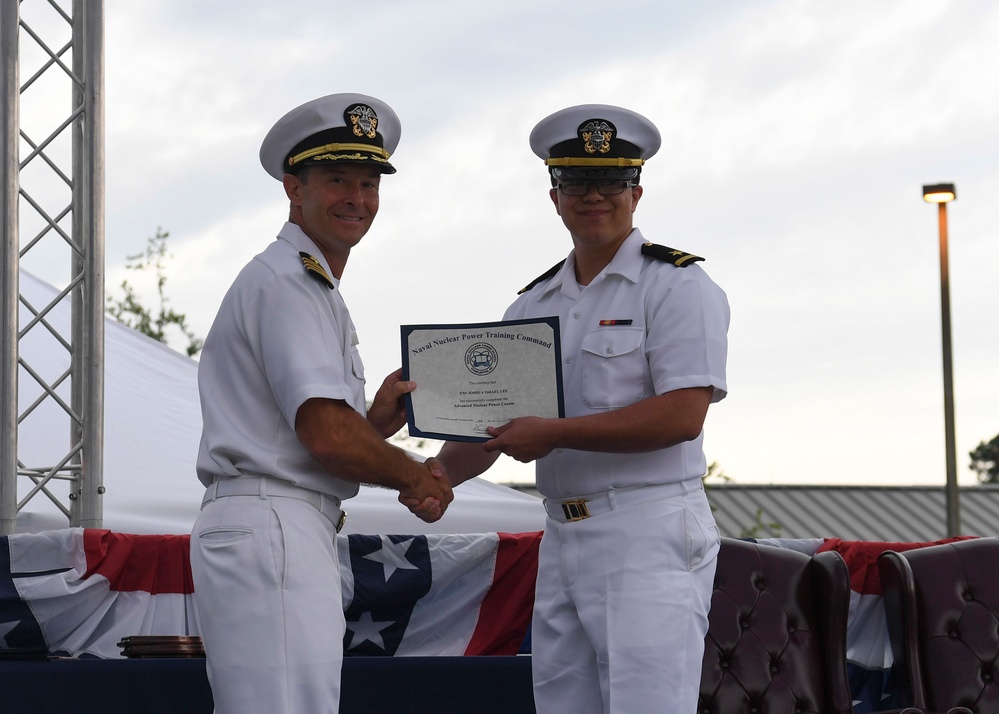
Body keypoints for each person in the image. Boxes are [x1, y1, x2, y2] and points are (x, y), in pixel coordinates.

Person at [431, 104, 730, 713]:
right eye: (575, 182)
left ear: (636, 193)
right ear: (555, 196)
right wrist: (435, 476)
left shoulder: (677, 286)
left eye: (611, 182)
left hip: (645, 527)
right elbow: (491, 423)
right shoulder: (529, 306)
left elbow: (683, 415)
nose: (594, 195)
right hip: (562, 533)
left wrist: (554, 433)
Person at [190, 92, 453, 714]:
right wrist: (416, 476)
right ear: (293, 187)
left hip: (280, 521)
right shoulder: (291, 281)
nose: (357, 198)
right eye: (337, 179)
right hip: (273, 522)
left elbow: (325, 435)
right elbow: (328, 438)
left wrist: (374, 427)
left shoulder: (305, 282)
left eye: (368, 182)